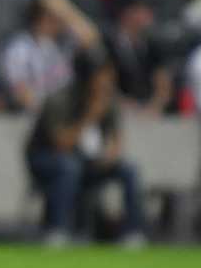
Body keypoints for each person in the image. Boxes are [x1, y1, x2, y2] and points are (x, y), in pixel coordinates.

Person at [25, 49, 146, 247]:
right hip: (46, 158)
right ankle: (58, 230)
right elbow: (60, 143)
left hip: (88, 160)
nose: (107, 81)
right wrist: (90, 116)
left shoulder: (109, 99)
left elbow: (116, 139)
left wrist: (110, 156)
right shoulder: (60, 99)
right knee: (68, 167)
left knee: (129, 169)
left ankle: (133, 233)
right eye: (103, 76)